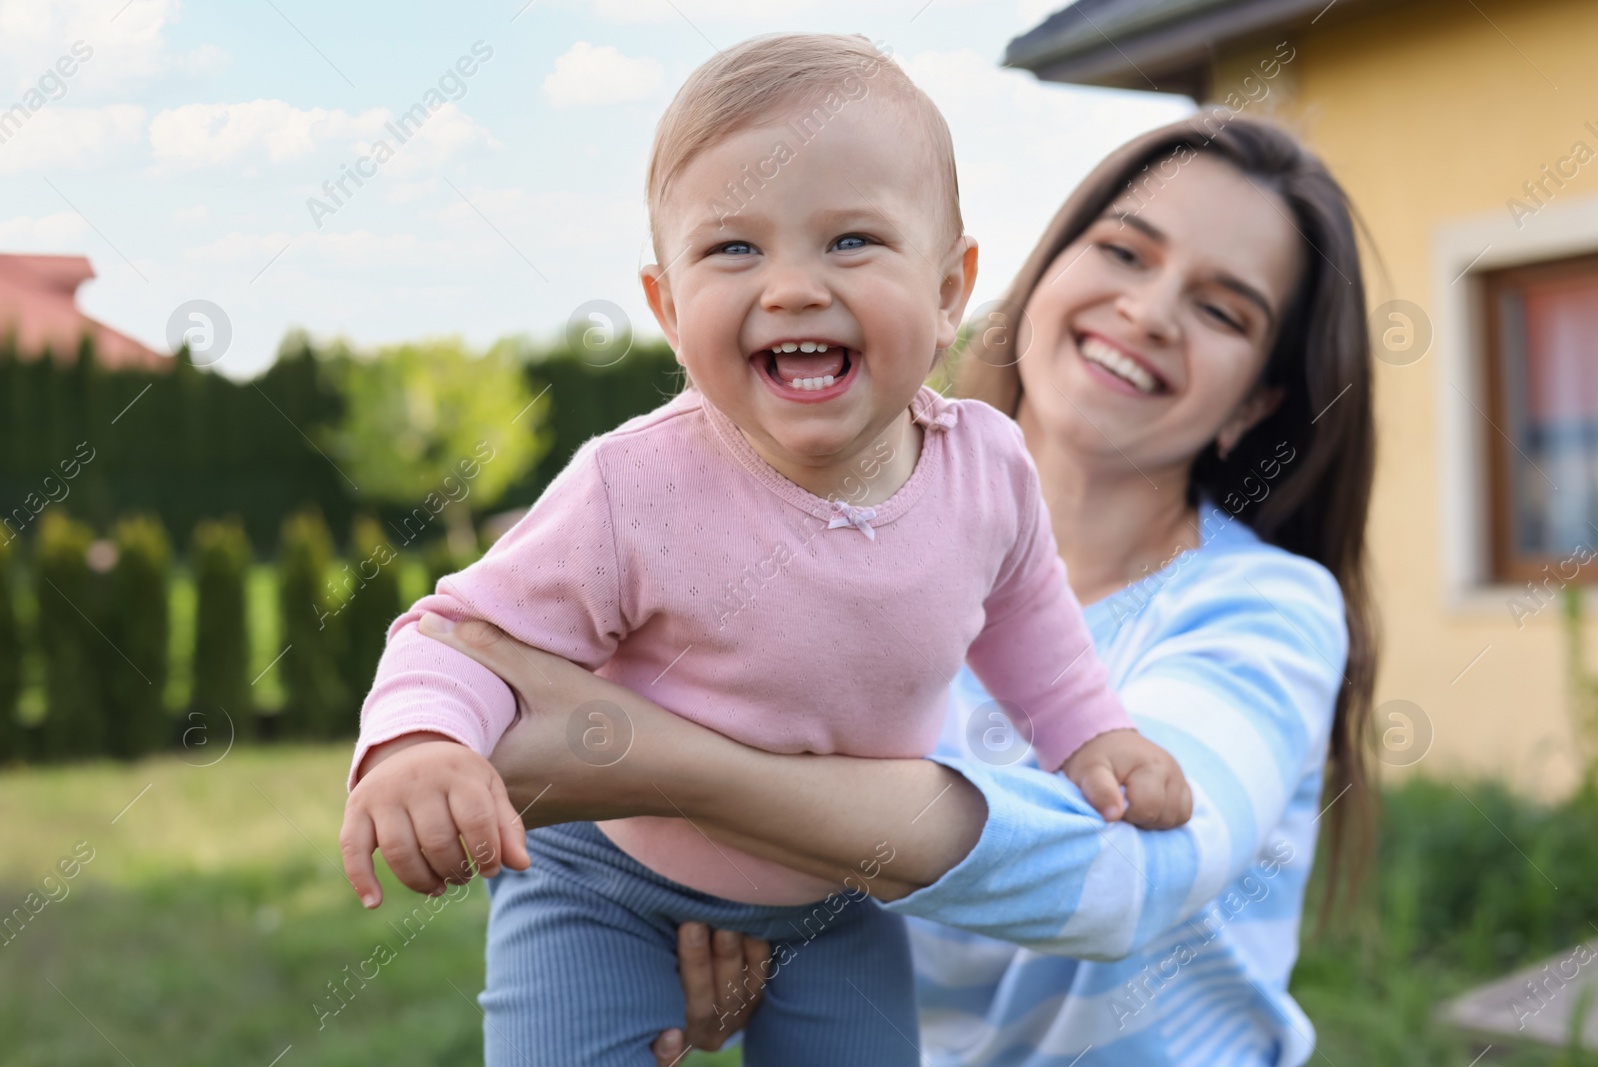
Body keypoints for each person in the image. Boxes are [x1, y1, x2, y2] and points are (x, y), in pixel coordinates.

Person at [416, 111, 1378, 1066]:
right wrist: (730, 922)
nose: (1152, 311)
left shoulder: (1265, 606)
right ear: (1034, 278)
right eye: (1126, 253)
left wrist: (658, 766)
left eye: (1222, 310)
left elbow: (1124, 872)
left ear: (1254, 400)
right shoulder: (820, 530)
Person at [338, 32, 1192, 1067]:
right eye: (733, 249)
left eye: (849, 242)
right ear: (665, 307)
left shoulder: (988, 468)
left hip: (839, 885)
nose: (790, 287)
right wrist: (423, 741)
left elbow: (1025, 621)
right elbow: (463, 635)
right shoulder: (632, 482)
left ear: (948, 289)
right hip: (605, 880)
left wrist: (1091, 735)